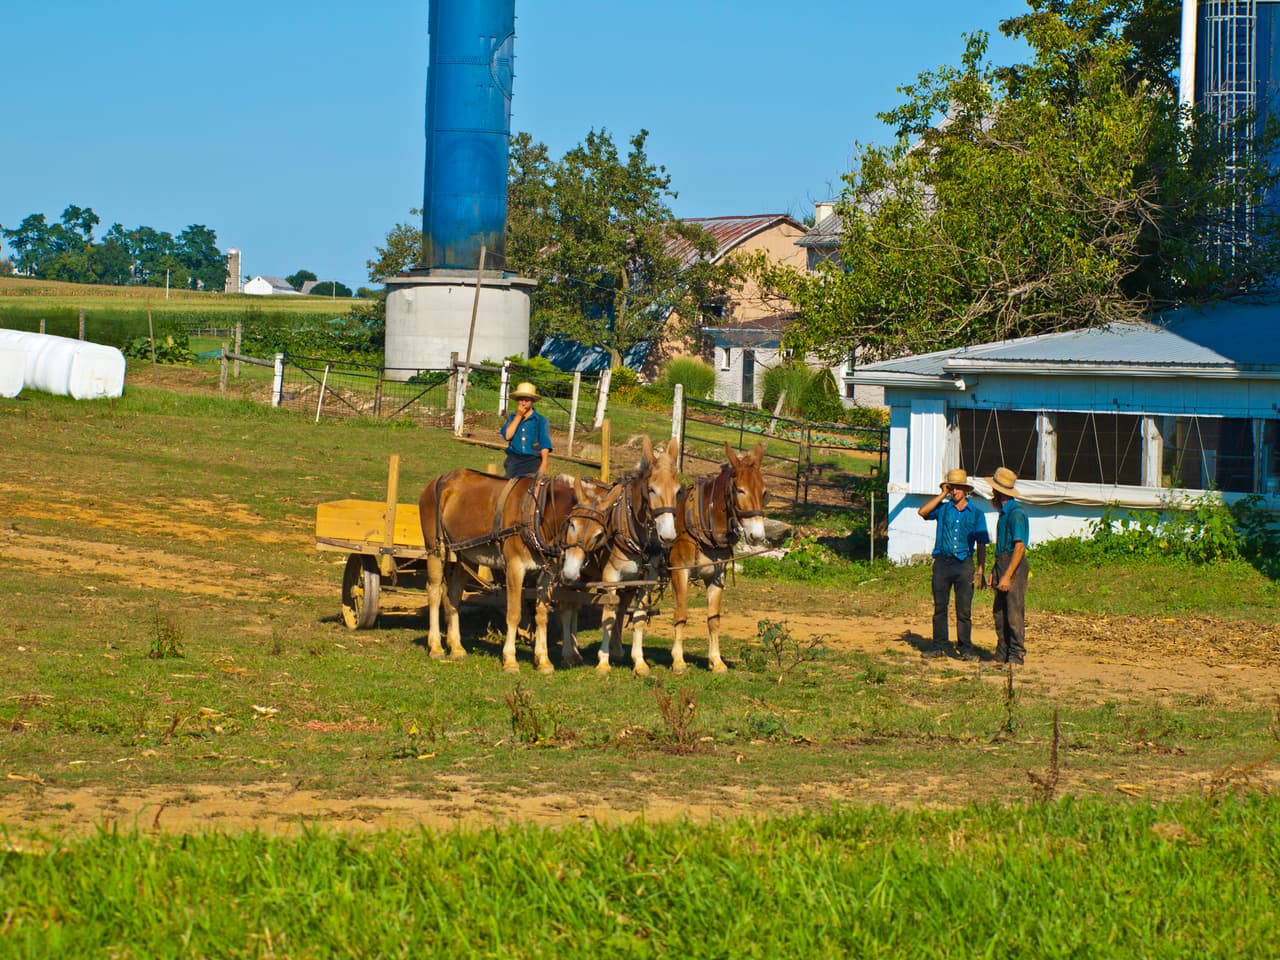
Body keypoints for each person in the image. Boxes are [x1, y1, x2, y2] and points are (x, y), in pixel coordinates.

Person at [918, 468, 989, 660]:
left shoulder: (976, 513)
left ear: (965, 490)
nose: (955, 491)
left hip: (964, 565)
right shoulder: (943, 508)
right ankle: (939, 645)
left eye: (958, 488)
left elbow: (981, 543)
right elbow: (922, 512)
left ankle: (965, 648)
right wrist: (942, 493)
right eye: (952, 488)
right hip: (942, 562)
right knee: (940, 607)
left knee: (964, 610)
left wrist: (980, 570)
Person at [987, 466, 1030, 665]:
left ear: (999, 492)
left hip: (1014, 563)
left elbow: (1019, 547)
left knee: (1013, 610)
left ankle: (1016, 654)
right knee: (1000, 611)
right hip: (1002, 561)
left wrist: (1007, 575)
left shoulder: (1016, 513)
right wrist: (995, 571)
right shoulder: (1004, 513)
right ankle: (1001, 653)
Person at [500, 381, 552, 478]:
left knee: (533, 489)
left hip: (533, 461)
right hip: (514, 461)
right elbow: (507, 436)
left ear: (532, 401)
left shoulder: (540, 420)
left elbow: (545, 443)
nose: (523, 403)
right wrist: (519, 416)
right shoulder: (512, 418)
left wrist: (544, 464)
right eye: (520, 400)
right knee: (508, 488)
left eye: (527, 400)